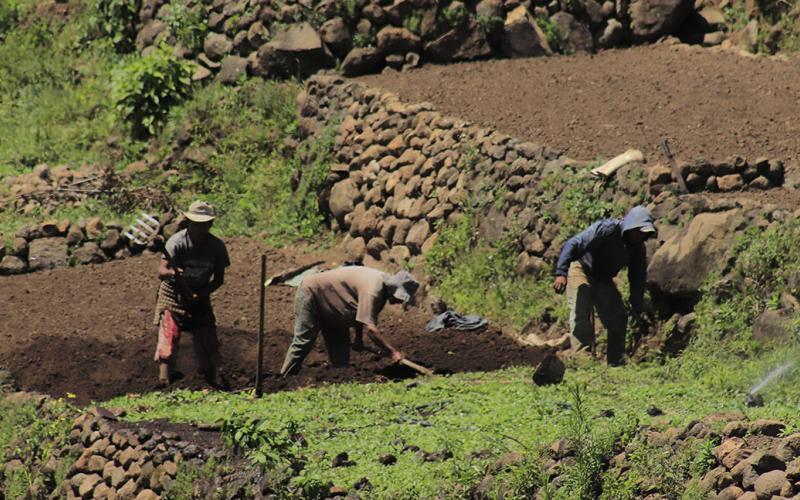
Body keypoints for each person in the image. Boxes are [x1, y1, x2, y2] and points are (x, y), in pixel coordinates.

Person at [552, 205, 657, 365]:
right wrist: (561, 273)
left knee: (618, 316)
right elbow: (574, 243)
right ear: (630, 226)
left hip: (603, 277)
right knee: (582, 311)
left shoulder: (638, 250)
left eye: (643, 232)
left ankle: (616, 361)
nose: (639, 235)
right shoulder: (607, 229)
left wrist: (636, 305)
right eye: (638, 230)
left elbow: (637, 278)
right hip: (582, 267)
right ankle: (583, 360)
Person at [280, 267, 419, 376]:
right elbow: (370, 329)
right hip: (312, 292)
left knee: (340, 352)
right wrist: (392, 352)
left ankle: (337, 381)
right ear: (394, 290)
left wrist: (358, 339)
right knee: (303, 341)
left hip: (335, 307)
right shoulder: (374, 290)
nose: (400, 302)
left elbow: (361, 314)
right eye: (401, 298)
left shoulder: (381, 289)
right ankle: (284, 378)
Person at [153, 200, 230, 387]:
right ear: (188, 223)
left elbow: (218, 279)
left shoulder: (216, 247)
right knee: (169, 333)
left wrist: (202, 294)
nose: (199, 229)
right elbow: (161, 272)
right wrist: (174, 273)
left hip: (199, 293)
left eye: (203, 225)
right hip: (173, 292)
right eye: (195, 224)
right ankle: (164, 380)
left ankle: (212, 378)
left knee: (207, 335)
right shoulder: (177, 242)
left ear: (210, 225)